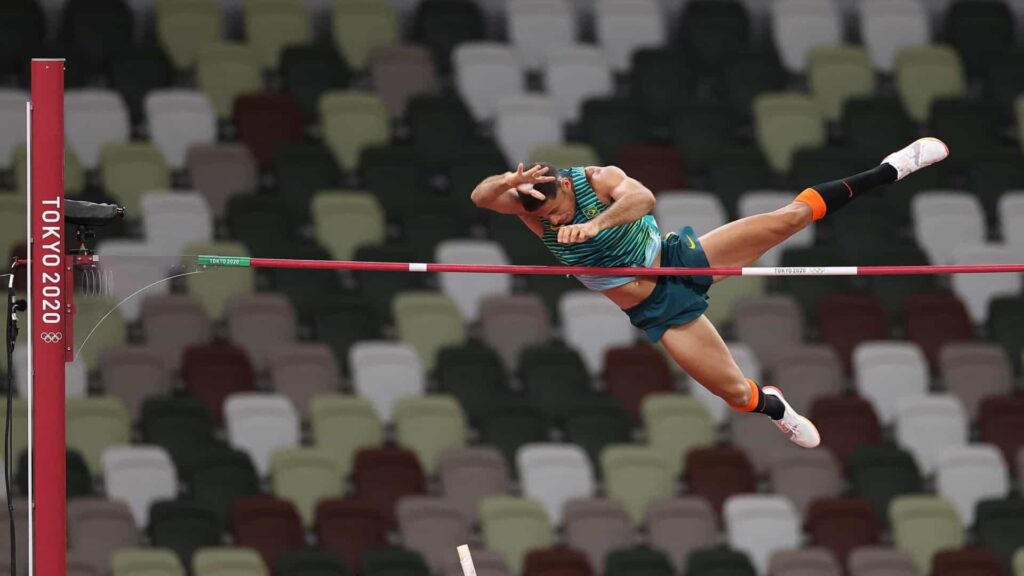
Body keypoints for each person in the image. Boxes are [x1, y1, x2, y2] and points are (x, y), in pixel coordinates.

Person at [470, 137, 949, 448]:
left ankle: (890, 169)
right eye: (544, 218)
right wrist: (506, 181)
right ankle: (775, 406)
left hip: (676, 260)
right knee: (736, 394)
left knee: (788, 219)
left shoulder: (598, 179)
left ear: (564, 185)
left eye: (556, 210)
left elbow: (642, 199)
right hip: (657, 311)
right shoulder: (531, 207)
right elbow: (481, 197)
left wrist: (595, 225)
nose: (553, 221)